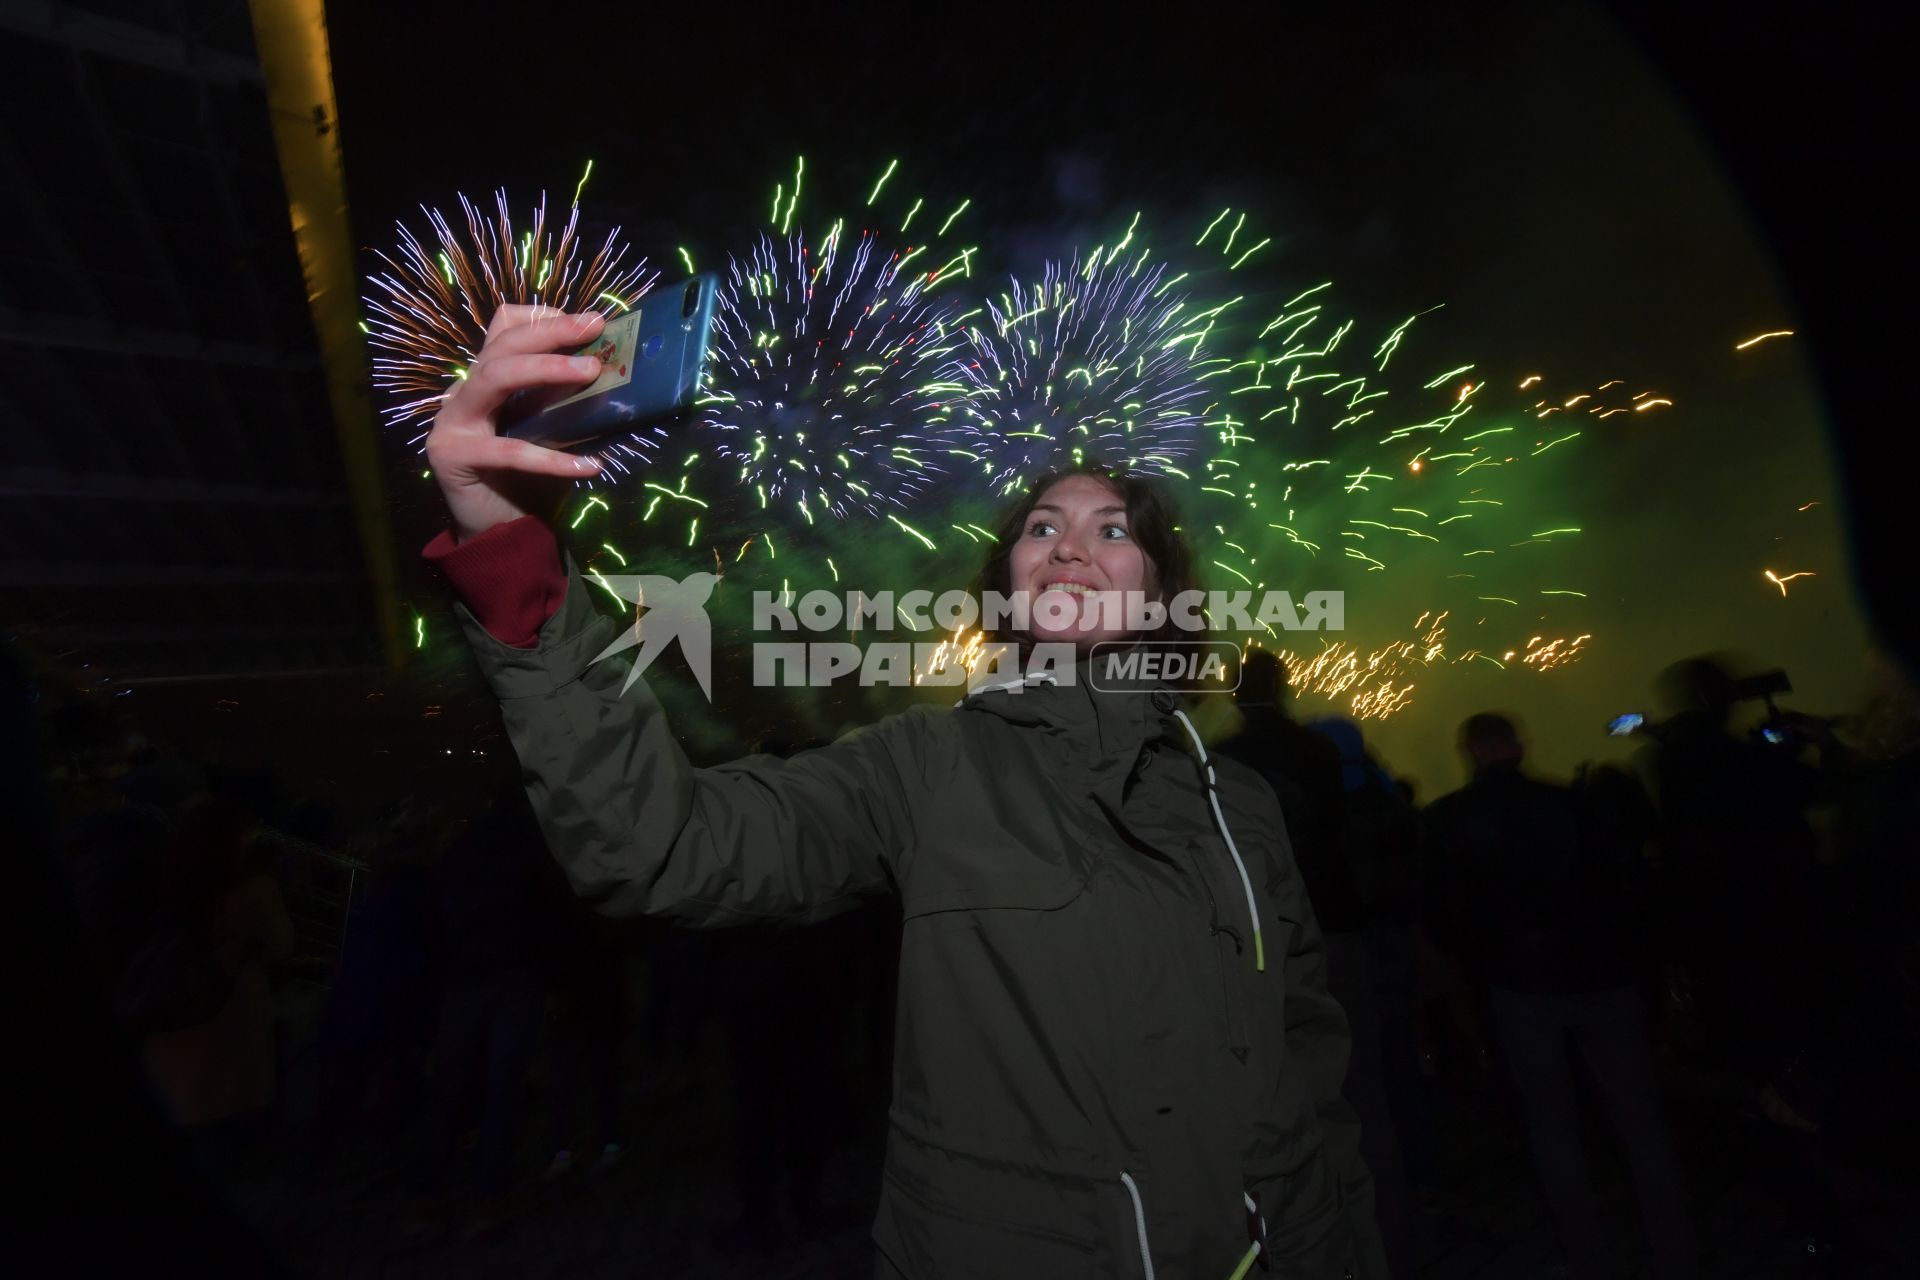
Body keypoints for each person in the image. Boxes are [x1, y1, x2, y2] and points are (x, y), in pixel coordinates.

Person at [418, 305, 1387, 1277]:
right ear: (1008, 589)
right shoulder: (925, 767)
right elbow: (664, 845)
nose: (1068, 546)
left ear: (1163, 591)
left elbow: (1308, 1067)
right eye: (1041, 527)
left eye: (1113, 530)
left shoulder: (1242, 805)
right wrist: (509, 553)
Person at [1425, 713, 1695, 1280]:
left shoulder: (1451, 819)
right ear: (1518, 746)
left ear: (1471, 750)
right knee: (1640, 1118)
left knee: (1553, 1127)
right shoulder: (1573, 803)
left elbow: (1452, 918)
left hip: (1522, 987)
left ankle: (1586, 1256)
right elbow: (1625, 889)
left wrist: (1466, 1001)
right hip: (1602, 976)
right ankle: (1674, 1250)